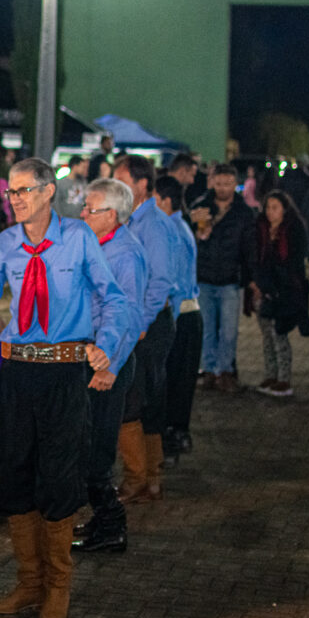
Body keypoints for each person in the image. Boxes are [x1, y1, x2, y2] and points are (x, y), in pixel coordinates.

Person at [0, 158, 130, 618]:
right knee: (13, 476)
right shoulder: (4, 245)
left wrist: (108, 347)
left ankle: (58, 587)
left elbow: (115, 299)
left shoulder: (78, 239)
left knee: (59, 478)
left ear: (49, 191)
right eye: (11, 192)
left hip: (63, 373)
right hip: (15, 373)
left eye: (25, 190)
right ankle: (29, 583)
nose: (16, 199)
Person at [71, 178, 146, 554]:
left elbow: (129, 317)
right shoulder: (100, 244)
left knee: (97, 451)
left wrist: (109, 367)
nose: (83, 213)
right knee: (89, 444)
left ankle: (112, 525)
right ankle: (103, 520)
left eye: (90, 209)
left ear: (112, 216)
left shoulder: (125, 254)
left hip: (108, 363)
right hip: (93, 356)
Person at [113, 155, 179, 502]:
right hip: (141, 322)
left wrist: (140, 324)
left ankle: (138, 477)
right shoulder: (132, 220)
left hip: (147, 324)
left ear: (141, 185)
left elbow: (161, 282)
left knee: (134, 399)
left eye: (121, 179)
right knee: (145, 399)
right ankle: (149, 478)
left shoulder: (151, 224)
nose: (116, 185)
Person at [191, 164, 255, 392]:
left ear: (234, 184)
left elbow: (249, 249)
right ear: (212, 182)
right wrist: (198, 234)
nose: (223, 188)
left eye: (228, 184)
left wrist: (249, 280)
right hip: (204, 277)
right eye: (219, 183)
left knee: (229, 330)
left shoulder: (244, 212)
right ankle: (209, 371)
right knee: (207, 329)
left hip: (230, 279)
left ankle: (225, 371)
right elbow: (188, 242)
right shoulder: (199, 207)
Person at [154, 176, 202, 467]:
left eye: (154, 201)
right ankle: (171, 442)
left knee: (172, 384)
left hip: (180, 315)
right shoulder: (178, 227)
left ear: (166, 201)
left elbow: (170, 281)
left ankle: (169, 446)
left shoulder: (170, 230)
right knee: (177, 383)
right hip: (187, 315)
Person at [248, 191, 309, 397]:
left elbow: (294, 263)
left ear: (285, 209)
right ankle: (270, 374)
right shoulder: (260, 229)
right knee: (267, 335)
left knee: (279, 333)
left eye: (275, 207)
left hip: (285, 291)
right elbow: (254, 258)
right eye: (267, 207)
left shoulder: (293, 229)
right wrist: (256, 283)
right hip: (262, 290)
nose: (270, 212)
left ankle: (284, 378)